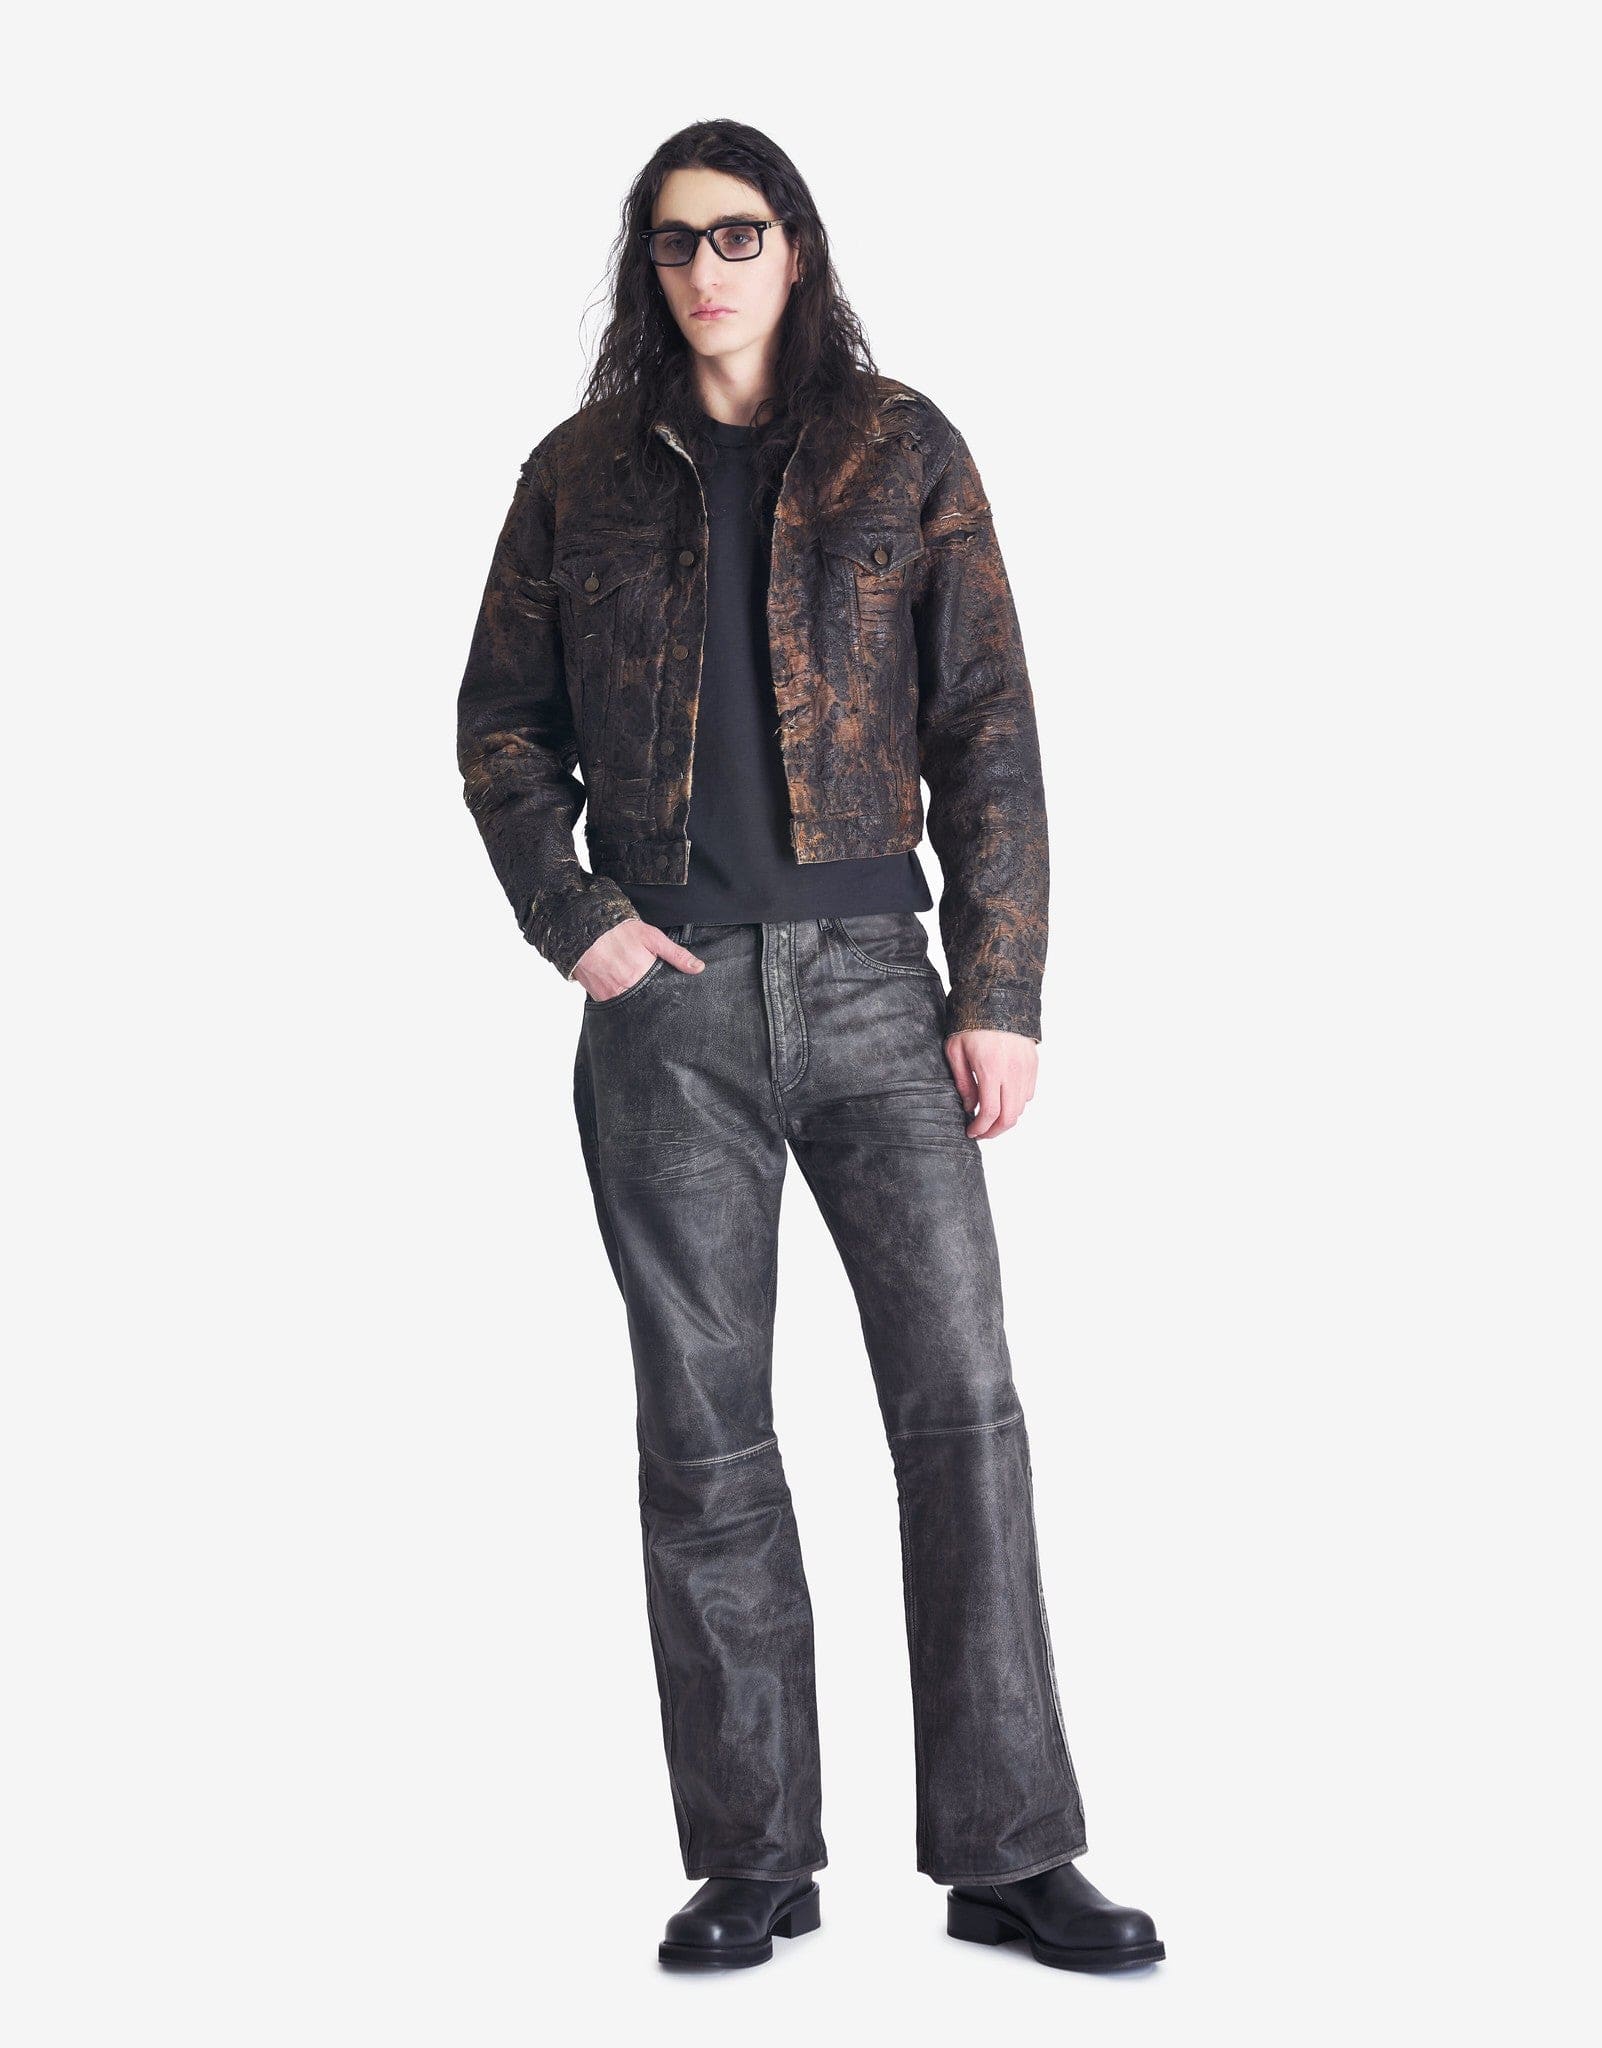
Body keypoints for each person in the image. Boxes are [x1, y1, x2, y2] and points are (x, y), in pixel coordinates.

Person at [455, 118, 1165, 1976]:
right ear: (647, 265)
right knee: (703, 1435)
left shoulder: (899, 448)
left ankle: (1009, 1853)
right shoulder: (576, 475)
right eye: (674, 239)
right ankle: (752, 1859)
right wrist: (574, 917)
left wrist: (998, 987)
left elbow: (987, 725)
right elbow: (500, 725)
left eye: (738, 233)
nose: (706, 268)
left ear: (795, 248)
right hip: (665, 1001)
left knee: (961, 1409)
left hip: (872, 985)